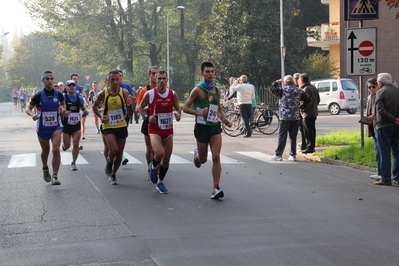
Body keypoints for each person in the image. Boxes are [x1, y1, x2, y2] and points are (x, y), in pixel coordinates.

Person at [183, 61, 232, 199]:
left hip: (214, 127)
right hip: (201, 128)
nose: (210, 74)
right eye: (207, 71)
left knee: (216, 156)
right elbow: (185, 108)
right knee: (203, 160)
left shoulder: (217, 90)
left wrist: (225, 120)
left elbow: (219, 110)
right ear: (202, 73)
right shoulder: (197, 90)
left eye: (212, 71)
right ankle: (197, 155)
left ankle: (216, 188)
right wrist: (198, 113)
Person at [137, 70, 181, 194]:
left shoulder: (172, 94)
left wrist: (178, 115)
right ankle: (153, 165)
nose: (161, 81)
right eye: (159, 78)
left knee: (166, 159)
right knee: (159, 153)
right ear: (155, 80)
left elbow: (178, 109)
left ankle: (160, 182)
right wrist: (147, 117)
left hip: (168, 129)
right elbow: (140, 108)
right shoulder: (150, 94)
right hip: (154, 128)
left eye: (164, 78)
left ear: (167, 80)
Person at [92, 70, 133, 185]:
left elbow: (130, 113)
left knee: (120, 153)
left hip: (121, 125)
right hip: (108, 125)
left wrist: (130, 106)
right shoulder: (103, 93)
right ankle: (109, 162)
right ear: (108, 81)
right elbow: (94, 107)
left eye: (117, 79)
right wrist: (100, 116)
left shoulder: (124, 92)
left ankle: (113, 174)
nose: (115, 82)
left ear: (120, 80)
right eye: (112, 79)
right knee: (113, 149)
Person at [26, 71, 65, 185]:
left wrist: (63, 109)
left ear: (54, 80)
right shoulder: (39, 95)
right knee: (46, 151)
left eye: (51, 79)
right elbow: (28, 108)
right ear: (43, 81)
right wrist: (32, 114)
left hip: (56, 126)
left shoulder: (58, 94)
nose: (49, 81)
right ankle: (45, 168)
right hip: (42, 127)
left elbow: (62, 103)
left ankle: (55, 175)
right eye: (47, 79)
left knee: (56, 149)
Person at [269, 75, 311, 161]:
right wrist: (302, 107)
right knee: (293, 136)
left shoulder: (283, 91)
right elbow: (308, 99)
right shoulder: (299, 90)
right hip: (295, 116)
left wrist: (277, 81)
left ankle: (278, 154)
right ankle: (293, 155)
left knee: (282, 135)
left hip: (285, 116)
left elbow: (272, 89)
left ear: (285, 82)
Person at [373, 73, 399, 186]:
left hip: (384, 126)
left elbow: (380, 110)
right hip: (397, 126)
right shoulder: (397, 91)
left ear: (380, 83)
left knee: (384, 152)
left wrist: (393, 119)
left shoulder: (380, 92)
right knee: (397, 152)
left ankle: (385, 178)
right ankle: (398, 178)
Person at [136, 66, 159, 180]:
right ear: (149, 75)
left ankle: (157, 168)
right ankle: (150, 170)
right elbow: (137, 108)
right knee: (149, 148)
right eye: (153, 74)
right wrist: (146, 114)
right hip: (148, 121)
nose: (155, 76)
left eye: (157, 74)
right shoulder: (144, 90)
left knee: (159, 149)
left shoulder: (166, 88)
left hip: (161, 122)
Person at [61, 80, 89, 170]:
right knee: (67, 145)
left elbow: (83, 108)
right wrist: (64, 111)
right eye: (69, 85)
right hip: (66, 125)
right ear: (66, 87)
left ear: (76, 87)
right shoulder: (64, 97)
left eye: (73, 85)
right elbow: (61, 107)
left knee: (76, 143)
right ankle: (64, 146)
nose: (71, 87)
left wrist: (86, 111)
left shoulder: (79, 98)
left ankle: (73, 162)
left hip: (76, 124)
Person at [298, 73, 320, 153]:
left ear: (301, 80)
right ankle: (311, 146)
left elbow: (305, 102)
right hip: (313, 112)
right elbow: (318, 99)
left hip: (307, 114)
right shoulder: (313, 87)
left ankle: (309, 147)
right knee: (312, 130)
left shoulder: (306, 89)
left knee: (308, 131)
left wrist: (301, 108)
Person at [365, 77, 381, 180]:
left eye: (373, 87)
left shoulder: (379, 96)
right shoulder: (369, 98)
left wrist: (373, 117)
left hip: (378, 125)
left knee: (380, 150)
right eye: (369, 87)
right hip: (371, 126)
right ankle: (378, 170)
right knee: (377, 149)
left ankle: (381, 171)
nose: (371, 89)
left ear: (377, 86)